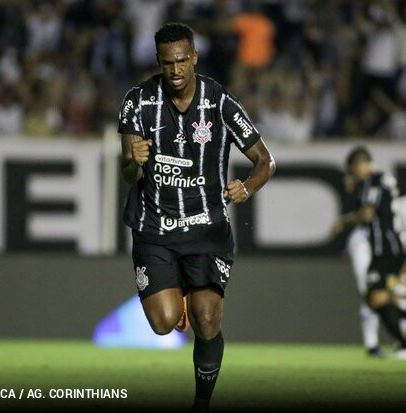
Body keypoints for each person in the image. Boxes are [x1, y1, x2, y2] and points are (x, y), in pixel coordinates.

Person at [118, 22, 275, 411]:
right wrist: (130, 161)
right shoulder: (137, 101)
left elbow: (265, 161)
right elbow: (127, 172)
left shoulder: (219, 102)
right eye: (167, 62)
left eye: (182, 61)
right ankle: (181, 292)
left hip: (206, 228)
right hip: (155, 229)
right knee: (162, 322)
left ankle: (201, 403)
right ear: (158, 61)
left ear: (194, 58)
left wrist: (248, 186)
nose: (175, 71)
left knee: (206, 319)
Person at [332, 146, 406, 360]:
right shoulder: (385, 178)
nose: (354, 175)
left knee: (374, 296)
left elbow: (368, 214)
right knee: (375, 298)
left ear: (360, 165)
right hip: (395, 247)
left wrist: (344, 220)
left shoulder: (371, 181)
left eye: (354, 170)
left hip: (385, 248)